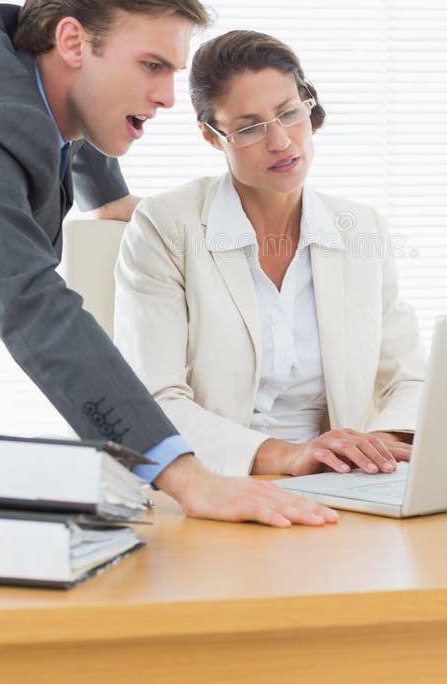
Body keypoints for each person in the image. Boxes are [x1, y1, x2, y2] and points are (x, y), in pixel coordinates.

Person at [0, 0, 338, 528]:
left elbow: (66, 106)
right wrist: (189, 479)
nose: (168, 96)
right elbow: (32, 308)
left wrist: (105, 192)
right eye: (151, 66)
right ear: (71, 41)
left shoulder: (13, 69)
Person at [114, 29, 426, 478]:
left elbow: (410, 379)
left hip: (338, 481)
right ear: (210, 135)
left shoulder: (361, 229)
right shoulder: (165, 226)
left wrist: (375, 447)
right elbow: (154, 400)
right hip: (213, 480)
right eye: (249, 128)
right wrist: (287, 456)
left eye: (289, 114)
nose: (280, 141)